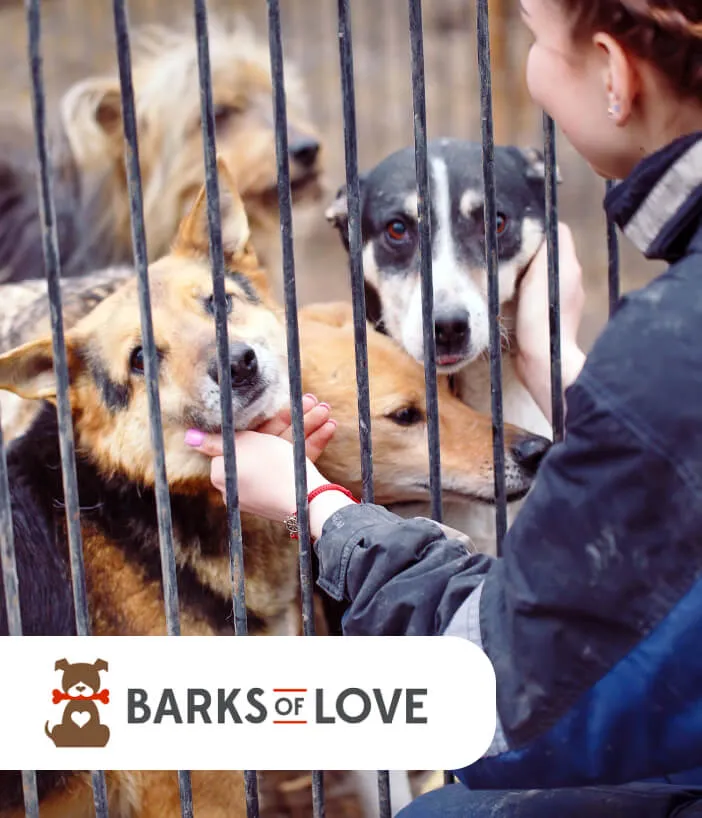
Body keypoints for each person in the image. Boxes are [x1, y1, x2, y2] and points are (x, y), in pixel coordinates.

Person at [184, 0, 702, 814]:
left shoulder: (663, 347)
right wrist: (554, 362)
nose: (448, 303)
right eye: (398, 234)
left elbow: (502, 697)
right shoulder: (665, 327)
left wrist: (315, 507)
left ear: (615, 73)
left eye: (534, 39)